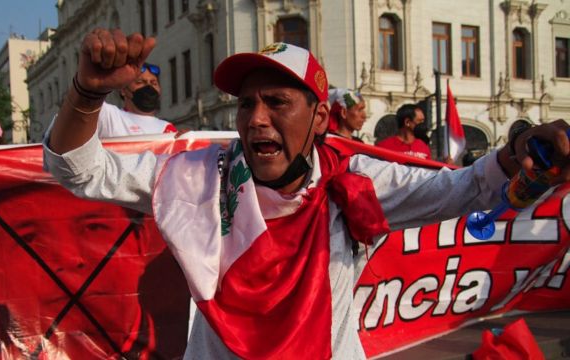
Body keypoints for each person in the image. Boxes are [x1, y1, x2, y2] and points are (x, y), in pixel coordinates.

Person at [43, 28, 570, 359]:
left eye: (276, 102)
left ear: (320, 117)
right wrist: (87, 92)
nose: (255, 120)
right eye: (246, 105)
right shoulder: (198, 174)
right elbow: (80, 170)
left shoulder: (357, 181)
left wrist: (520, 145)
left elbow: (462, 191)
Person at [0, 182, 190, 359]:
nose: (70, 258)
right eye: (28, 239)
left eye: (94, 228)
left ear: (140, 242)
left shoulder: (197, 346)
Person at [96, 62, 177, 137]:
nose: (149, 86)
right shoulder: (110, 116)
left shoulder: (168, 128)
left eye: (153, 83)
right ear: (123, 90)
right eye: (140, 82)